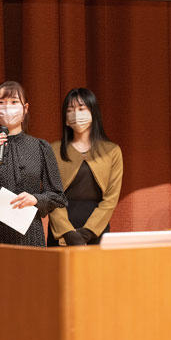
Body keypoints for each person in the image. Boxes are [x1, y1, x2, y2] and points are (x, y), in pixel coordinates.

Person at [0, 81, 66, 246]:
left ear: (25, 108)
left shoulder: (40, 147)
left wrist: (36, 199)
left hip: (28, 233)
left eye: (14, 102)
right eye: (1, 102)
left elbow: (58, 196)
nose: (7, 108)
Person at [47, 88, 123, 246]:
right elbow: (51, 196)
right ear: (66, 119)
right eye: (70, 110)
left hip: (97, 229)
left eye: (82, 109)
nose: (76, 114)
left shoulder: (112, 151)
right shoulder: (53, 150)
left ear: (93, 113)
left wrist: (87, 233)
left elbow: (111, 199)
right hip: (61, 230)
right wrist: (68, 233)